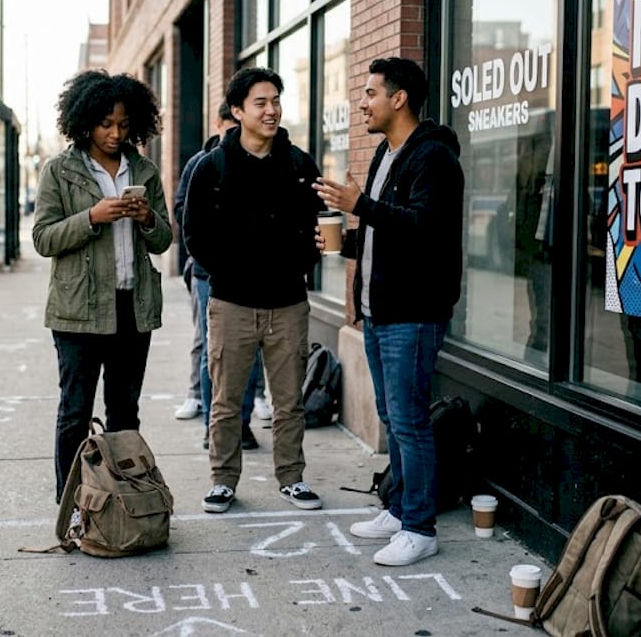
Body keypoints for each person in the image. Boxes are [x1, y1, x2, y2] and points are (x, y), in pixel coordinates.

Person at [314, 57, 463, 566]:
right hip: (379, 312)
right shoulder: (386, 153)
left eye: (370, 93)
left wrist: (360, 205)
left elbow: (425, 229)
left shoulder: (434, 158)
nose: (362, 103)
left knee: (409, 421)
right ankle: (399, 511)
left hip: (414, 313)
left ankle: (420, 528)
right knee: (392, 418)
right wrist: (346, 243)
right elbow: (387, 230)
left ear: (399, 99)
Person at [183, 67, 326, 514]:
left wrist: (303, 263)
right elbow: (194, 233)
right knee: (226, 401)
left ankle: (292, 478)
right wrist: (230, 273)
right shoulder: (212, 166)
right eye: (260, 102)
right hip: (232, 303)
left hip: (289, 303)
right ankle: (223, 481)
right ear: (238, 111)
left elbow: (319, 225)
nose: (271, 110)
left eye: (276, 101)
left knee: (289, 402)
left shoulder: (299, 164)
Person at [32, 69, 173, 503]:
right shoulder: (59, 170)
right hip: (79, 311)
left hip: (133, 308)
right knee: (75, 413)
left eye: (124, 124)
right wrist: (92, 218)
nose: (115, 134)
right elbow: (43, 238)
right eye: (105, 124)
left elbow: (164, 240)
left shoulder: (144, 170)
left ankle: (124, 505)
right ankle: (73, 506)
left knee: (125, 413)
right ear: (85, 121)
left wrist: (147, 219)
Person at [173, 103, 265, 451]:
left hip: (253, 275)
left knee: (249, 352)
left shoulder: (259, 162)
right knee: (213, 350)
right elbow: (182, 212)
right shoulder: (201, 163)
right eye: (230, 130)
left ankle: (241, 424)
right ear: (220, 124)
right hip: (208, 273)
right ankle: (213, 425)